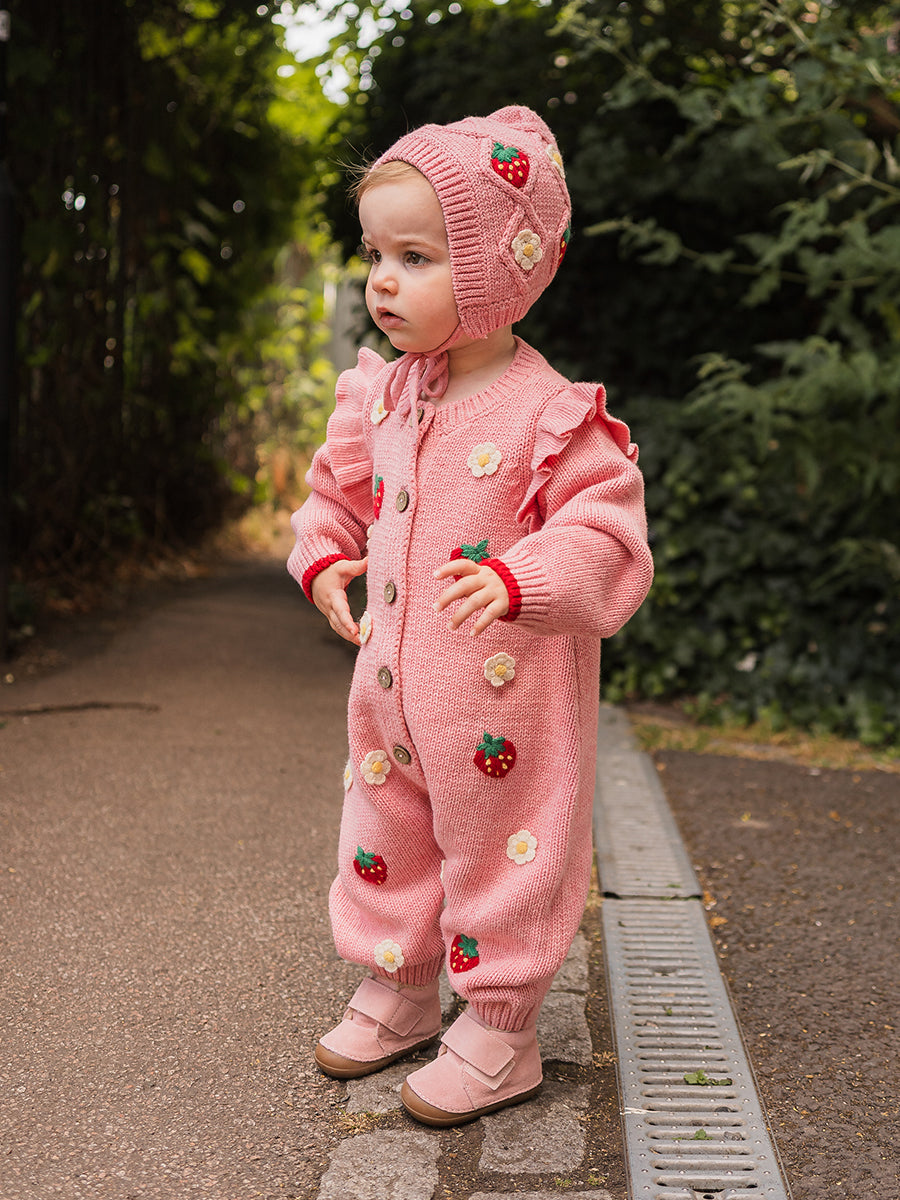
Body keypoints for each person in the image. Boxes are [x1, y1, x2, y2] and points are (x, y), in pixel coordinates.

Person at [287, 106, 653, 1127]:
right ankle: (401, 986)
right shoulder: (385, 396)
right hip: (391, 699)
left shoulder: (548, 413)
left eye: (416, 257)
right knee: (387, 836)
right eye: (375, 254)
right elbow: (335, 493)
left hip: (503, 717)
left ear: (499, 270)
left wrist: (524, 578)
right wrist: (326, 556)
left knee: (504, 853)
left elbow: (609, 534)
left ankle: (500, 1027)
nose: (382, 281)